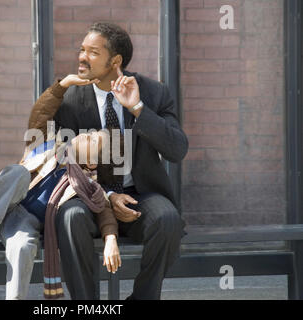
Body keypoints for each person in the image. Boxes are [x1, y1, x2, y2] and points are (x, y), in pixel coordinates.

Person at [52, 22, 189, 300]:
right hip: (88, 196)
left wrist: (138, 108)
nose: (81, 57)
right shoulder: (69, 98)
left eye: (92, 52)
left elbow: (177, 149)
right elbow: (62, 161)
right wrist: (109, 195)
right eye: (81, 50)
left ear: (115, 61)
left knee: (167, 219)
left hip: (139, 195)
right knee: (70, 217)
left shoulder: (153, 93)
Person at [0, 75, 122, 300]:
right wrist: (63, 85)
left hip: (27, 221)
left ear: (92, 162)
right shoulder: (48, 144)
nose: (87, 134)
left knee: (23, 247)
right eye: (89, 133)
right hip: (10, 201)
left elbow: (105, 212)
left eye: (94, 140)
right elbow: (40, 114)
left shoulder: (88, 185)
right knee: (18, 172)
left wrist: (111, 240)